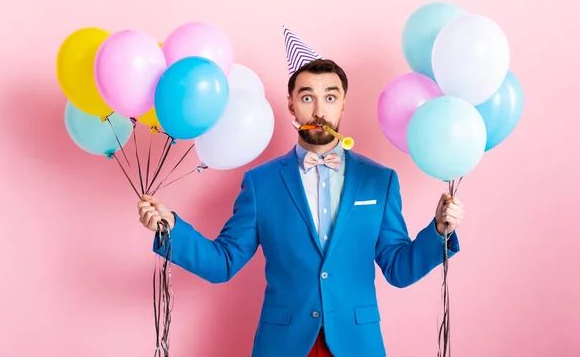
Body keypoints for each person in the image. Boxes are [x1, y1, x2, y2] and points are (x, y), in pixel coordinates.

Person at [137, 27, 465, 357]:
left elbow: (399, 268)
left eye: (330, 97)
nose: (319, 110)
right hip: (284, 346)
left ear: (342, 105)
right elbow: (223, 262)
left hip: (357, 345)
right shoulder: (260, 183)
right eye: (307, 97)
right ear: (292, 107)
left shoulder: (379, 180)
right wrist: (171, 229)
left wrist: (438, 231)